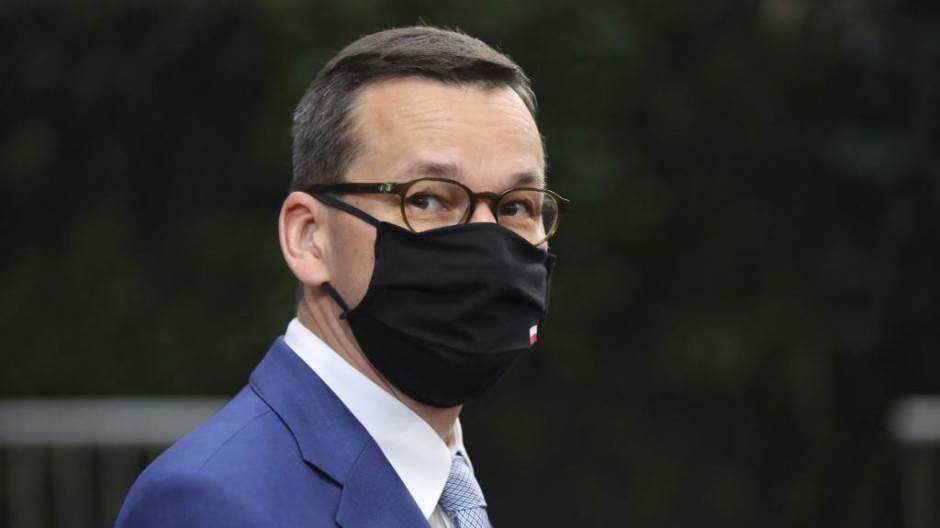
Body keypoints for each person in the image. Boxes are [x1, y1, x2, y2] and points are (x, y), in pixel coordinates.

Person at [115, 25, 566, 528]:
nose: (488, 239)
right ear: (309, 236)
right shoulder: (211, 505)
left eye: (518, 206)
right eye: (426, 199)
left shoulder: (447, 488)